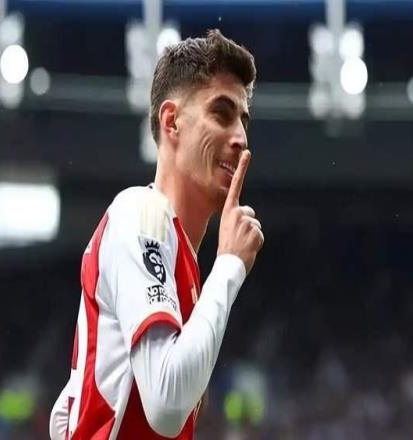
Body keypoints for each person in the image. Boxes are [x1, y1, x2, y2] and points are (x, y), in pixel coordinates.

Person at [49, 29, 263, 439]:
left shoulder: (176, 256)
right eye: (222, 114)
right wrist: (230, 265)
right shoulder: (141, 213)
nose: (240, 137)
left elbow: (67, 411)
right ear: (171, 122)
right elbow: (166, 404)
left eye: (243, 120)